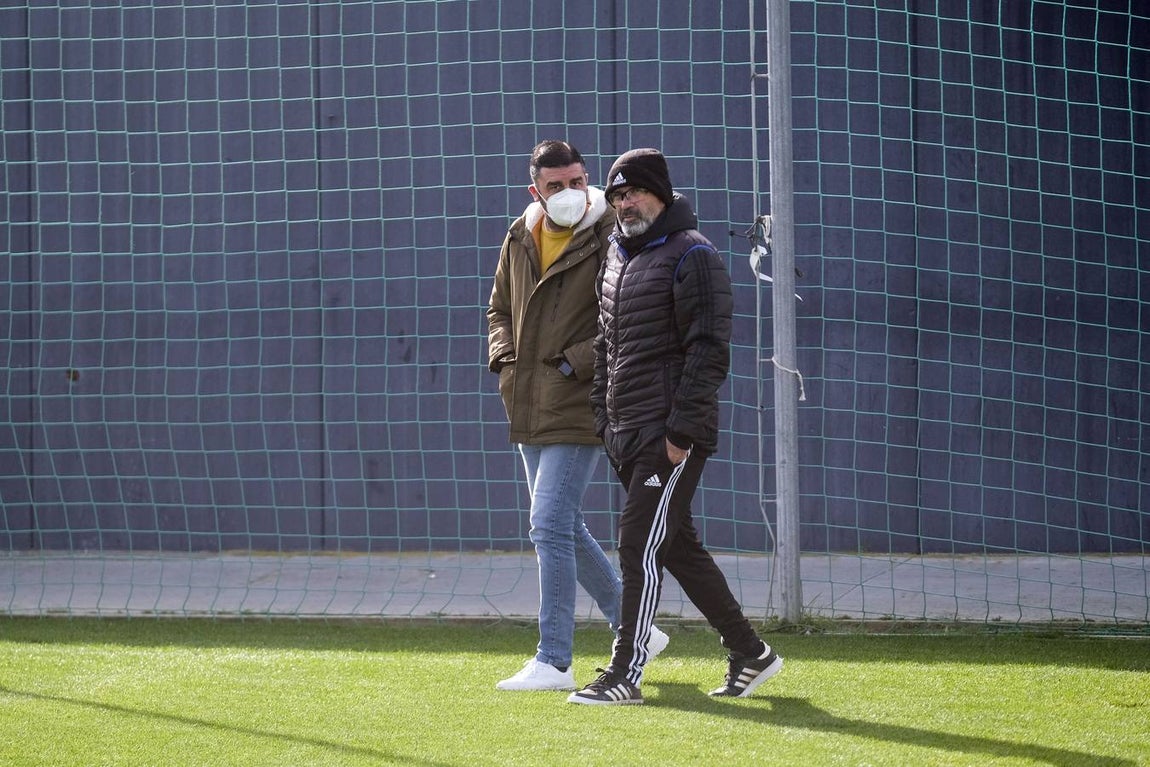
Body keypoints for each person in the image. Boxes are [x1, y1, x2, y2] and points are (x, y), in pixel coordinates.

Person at [568, 148, 783, 705]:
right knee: (676, 545)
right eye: (616, 195)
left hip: (669, 435)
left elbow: (709, 350)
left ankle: (624, 673)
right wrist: (603, 416)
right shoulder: (617, 254)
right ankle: (751, 653)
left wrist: (680, 434)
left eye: (634, 192)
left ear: (661, 194)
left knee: (637, 542)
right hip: (625, 430)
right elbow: (608, 346)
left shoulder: (695, 254)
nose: (624, 203)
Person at [487, 140, 668, 692]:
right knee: (562, 525)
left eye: (576, 181)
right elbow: (499, 308)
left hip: (582, 400)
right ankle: (636, 626)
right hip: (526, 400)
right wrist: (503, 356)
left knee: (546, 526)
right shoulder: (520, 235)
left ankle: (554, 659)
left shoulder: (610, 234)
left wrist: (573, 365)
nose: (568, 194)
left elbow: (630, 313)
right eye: (555, 185)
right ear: (534, 190)